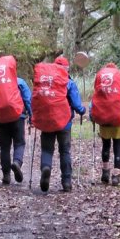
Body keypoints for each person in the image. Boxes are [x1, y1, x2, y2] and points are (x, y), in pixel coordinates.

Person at [33, 55, 86, 193]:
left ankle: (46, 168)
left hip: (47, 120)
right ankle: (67, 182)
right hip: (64, 122)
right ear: (66, 69)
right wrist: (82, 110)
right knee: (64, 151)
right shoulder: (68, 82)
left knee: (46, 149)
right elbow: (76, 104)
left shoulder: (46, 81)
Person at [0, 55, 32, 185]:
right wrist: (31, 116)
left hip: (1, 120)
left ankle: (6, 176)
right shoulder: (19, 82)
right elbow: (28, 100)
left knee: (4, 147)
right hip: (18, 117)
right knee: (19, 143)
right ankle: (16, 163)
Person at [88, 62, 120, 186]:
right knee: (117, 148)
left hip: (104, 122)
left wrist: (92, 116)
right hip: (119, 122)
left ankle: (105, 172)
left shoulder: (100, 89)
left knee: (106, 146)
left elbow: (92, 105)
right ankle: (116, 176)